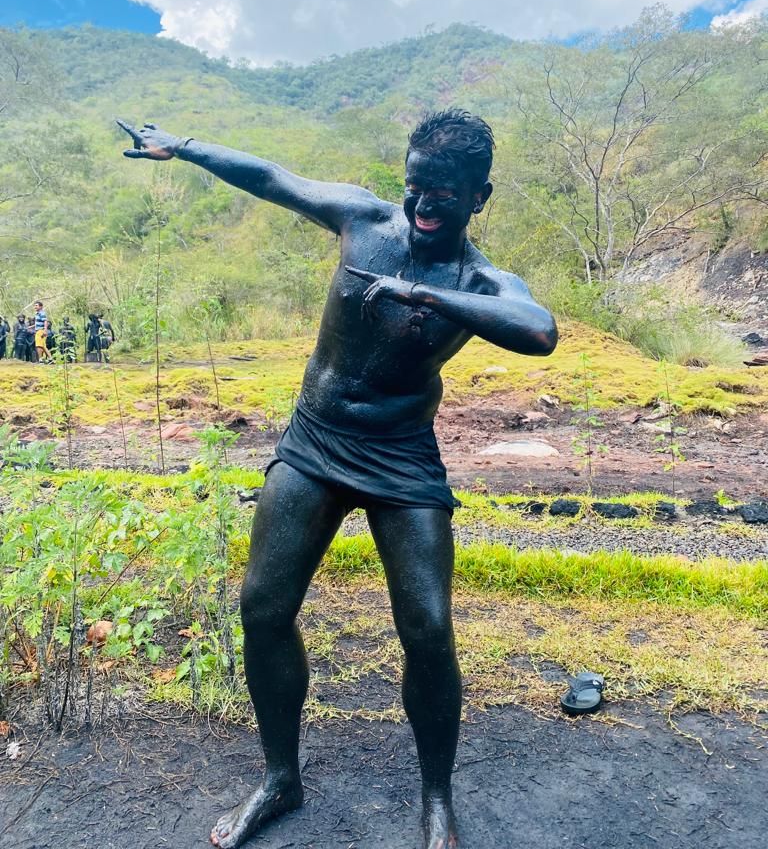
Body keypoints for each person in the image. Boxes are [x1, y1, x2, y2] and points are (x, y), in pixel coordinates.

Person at [118, 111, 558, 849]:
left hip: (402, 459)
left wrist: (424, 297)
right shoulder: (363, 219)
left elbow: (538, 330)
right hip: (315, 441)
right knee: (263, 608)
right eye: (414, 185)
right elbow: (272, 177)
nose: (422, 205)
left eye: (443, 195)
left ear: (479, 197)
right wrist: (183, 147)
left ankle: (437, 801)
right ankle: (279, 779)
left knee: (429, 629)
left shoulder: (480, 279)